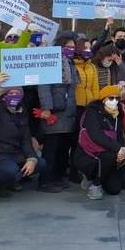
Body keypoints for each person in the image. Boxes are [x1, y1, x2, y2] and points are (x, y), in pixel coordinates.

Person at [0, 72, 62, 200]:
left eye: (18, 93)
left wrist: (32, 158)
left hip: (12, 154)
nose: (14, 96)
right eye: (11, 93)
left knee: (40, 163)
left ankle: (7, 182)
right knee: (10, 170)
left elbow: (25, 139)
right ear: (4, 96)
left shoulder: (21, 112)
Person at [37, 34, 79, 188]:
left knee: (62, 147)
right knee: (51, 148)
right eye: (67, 47)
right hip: (54, 111)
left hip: (68, 111)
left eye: (73, 47)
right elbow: (44, 87)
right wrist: (47, 108)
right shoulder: (50, 62)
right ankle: (45, 180)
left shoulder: (71, 64)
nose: (71, 50)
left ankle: (57, 177)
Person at [75, 85, 125, 200]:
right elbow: (96, 135)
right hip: (88, 154)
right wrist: (117, 148)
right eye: (111, 98)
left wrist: (123, 150)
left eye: (116, 98)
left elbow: (119, 136)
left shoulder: (117, 116)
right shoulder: (92, 113)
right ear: (103, 99)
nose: (114, 101)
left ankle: (96, 177)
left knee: (115, 189)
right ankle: (95, 183)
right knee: (109, 156)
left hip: (108, 153)